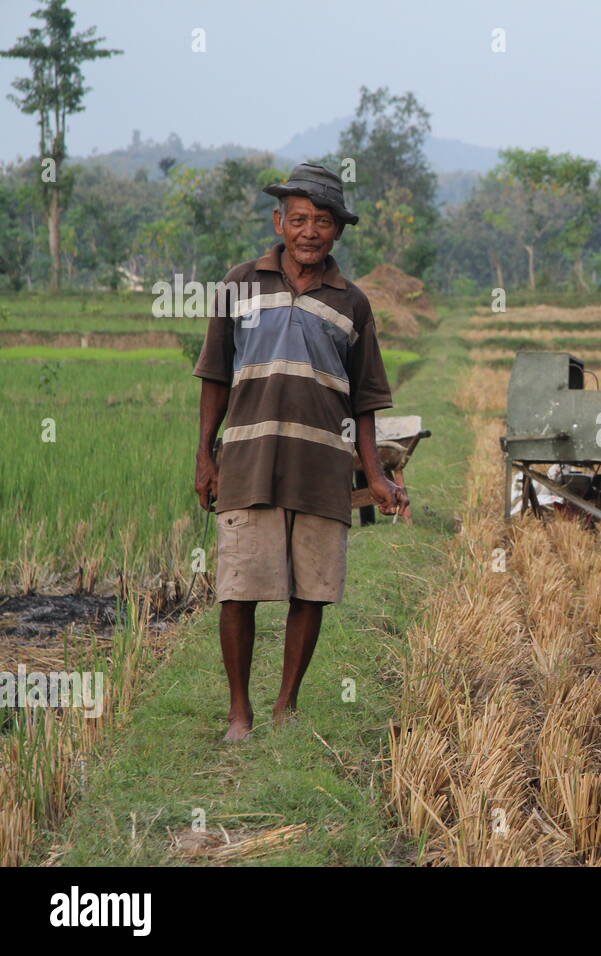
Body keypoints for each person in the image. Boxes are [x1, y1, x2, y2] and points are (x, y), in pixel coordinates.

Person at [192, 163, 407, 742]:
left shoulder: (352, 304)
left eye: (323, 221)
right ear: (279, 221)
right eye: (300, 219)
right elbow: (214, 376)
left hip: (320, 466)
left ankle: (287, 703)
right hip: (246, 461)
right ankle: (240, 712)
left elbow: (364, 402)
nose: (310, 231)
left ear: (338, 231)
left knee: (311, 589)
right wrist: (205, 457)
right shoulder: (239, 284)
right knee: (239, 588)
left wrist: (377, 475)